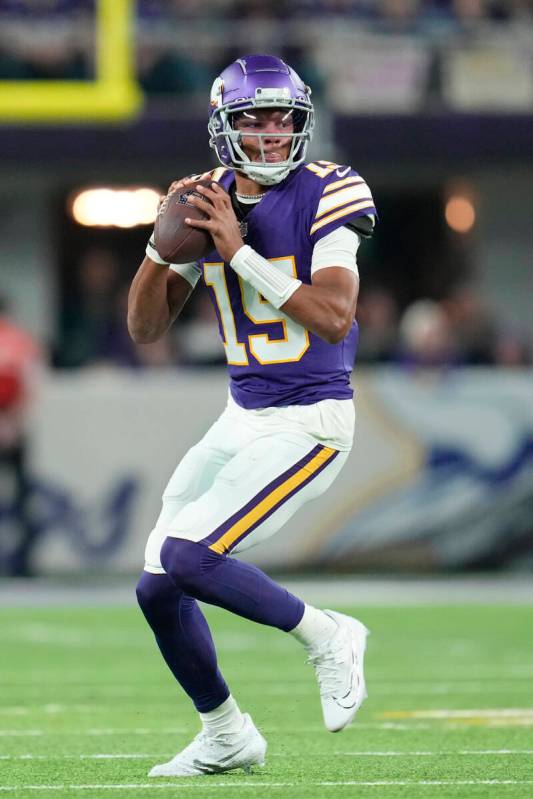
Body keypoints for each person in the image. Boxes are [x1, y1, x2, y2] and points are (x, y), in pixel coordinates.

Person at [128, 53, 377, 778]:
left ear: (301, 123)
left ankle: (329, 633)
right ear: (222, 127)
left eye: (281, 118)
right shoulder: (203, 200)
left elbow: (333, 317)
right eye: (251, 118)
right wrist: (157, 248)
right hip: (242, 413)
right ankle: (226, 732)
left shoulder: (333, 189)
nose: (269, 134)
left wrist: (236, 253)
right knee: (156, 584)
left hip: (311, 420)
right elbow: (146, 330)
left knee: (190, 554)